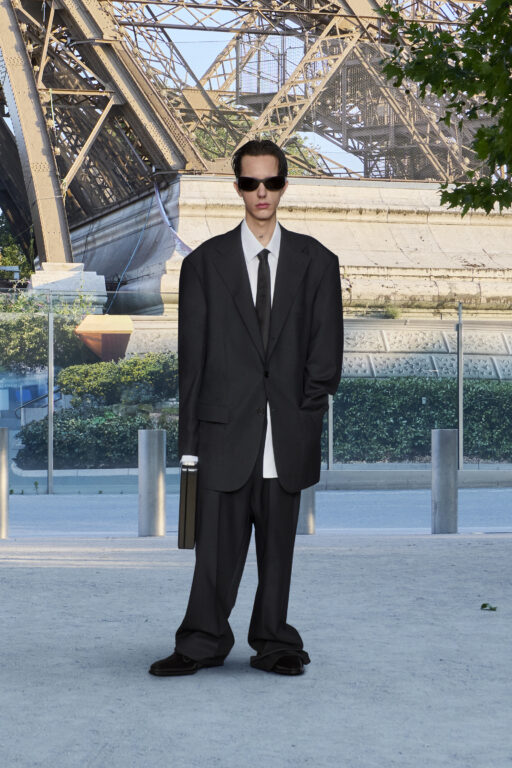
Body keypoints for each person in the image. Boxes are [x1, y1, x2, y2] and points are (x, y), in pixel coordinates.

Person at [149, 139, 343, 677]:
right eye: (252, 183)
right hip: (222, 433)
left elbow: (326, 355)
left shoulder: (317, 262)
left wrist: (304, 416)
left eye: (272, 182)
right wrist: (190, 446)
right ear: (237, 187)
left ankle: (275, 642)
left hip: (286, 433)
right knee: (214, 552)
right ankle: (200, 642)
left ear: (284, 186)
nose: (262, 192)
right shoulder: (204, 265)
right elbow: (192, 363)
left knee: (278, 553)